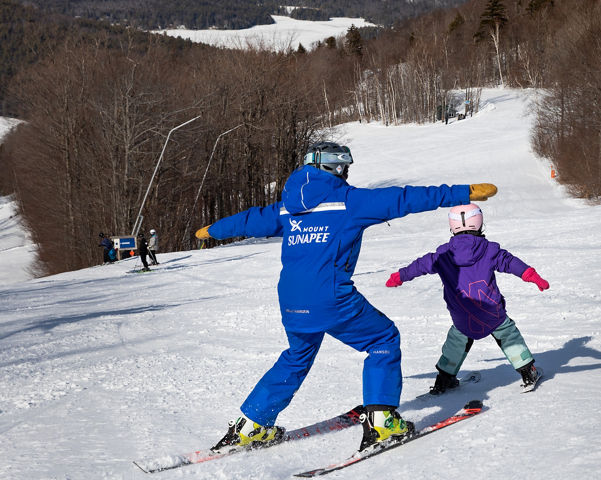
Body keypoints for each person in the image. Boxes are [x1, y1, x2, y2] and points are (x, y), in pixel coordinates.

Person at [194, 141, 497, 452]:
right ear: (337, 168)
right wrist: (464, 192)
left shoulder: (286, 208)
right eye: (346, 167)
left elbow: (248, 220)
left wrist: (213, 229)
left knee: (296, 357)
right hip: (330, 298)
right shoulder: (349, 201)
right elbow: (405, 198)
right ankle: (381, 422)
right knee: (383, 340)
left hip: (291, 300)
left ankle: (251, 425)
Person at [384, 203, 550, 393]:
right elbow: (510, 262)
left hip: (462, 317)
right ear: (479, 223)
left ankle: (444, 380)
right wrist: (532, 276)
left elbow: (420, 265)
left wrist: (399, 276)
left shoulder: (443, 255)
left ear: (452, 226)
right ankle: (528, 372)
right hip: (491, 313)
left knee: (457, 340)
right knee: (507, 334)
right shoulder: (489, 250)